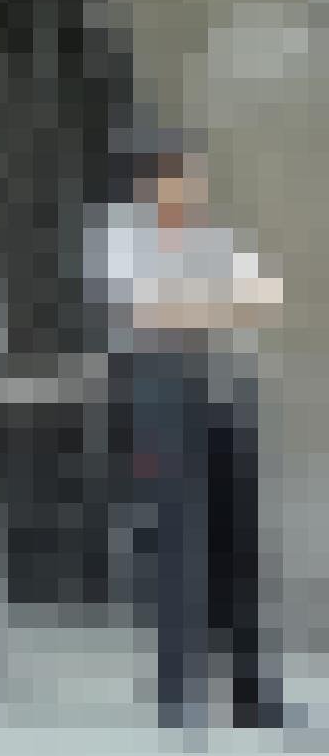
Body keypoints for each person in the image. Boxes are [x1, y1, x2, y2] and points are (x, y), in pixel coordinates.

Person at [89, 126, 294, 733]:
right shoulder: (119, 236)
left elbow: (269, 295)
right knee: (178, 538)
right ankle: (177, 691)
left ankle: (250, 694)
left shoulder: (215, 236)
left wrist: (197, 302)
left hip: (227, 385)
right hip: (161, 388)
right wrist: (217, 301)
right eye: (187, 176)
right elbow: (145, 310)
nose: (197, 188)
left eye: (200, 176)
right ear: (156, 181)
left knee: (238, 540)